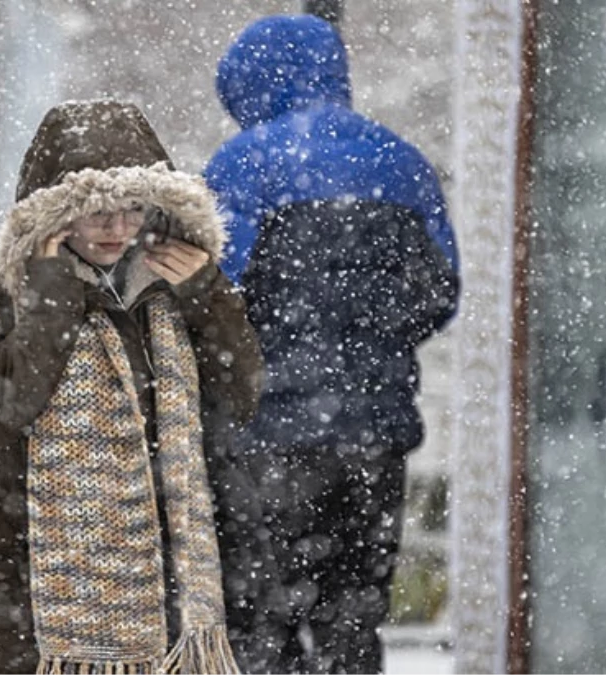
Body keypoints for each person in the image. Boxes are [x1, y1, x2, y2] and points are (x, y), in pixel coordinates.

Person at [0, 99, 263, 675]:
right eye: (97, 213)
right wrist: (50, 297)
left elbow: (242, 395)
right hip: (26, 585)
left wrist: (208, 296)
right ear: (54, 215)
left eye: (133, 209)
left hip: (160, 587)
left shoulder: (175, 282)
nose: (118, 229)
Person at [204, 14, 461, 674]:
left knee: (264, 619)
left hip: (271, 438)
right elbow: (438, 294)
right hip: (375, 435)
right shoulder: (405, 165)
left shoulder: (244, 165)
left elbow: (213, 298)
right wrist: (364, 350)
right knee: (353, 618)